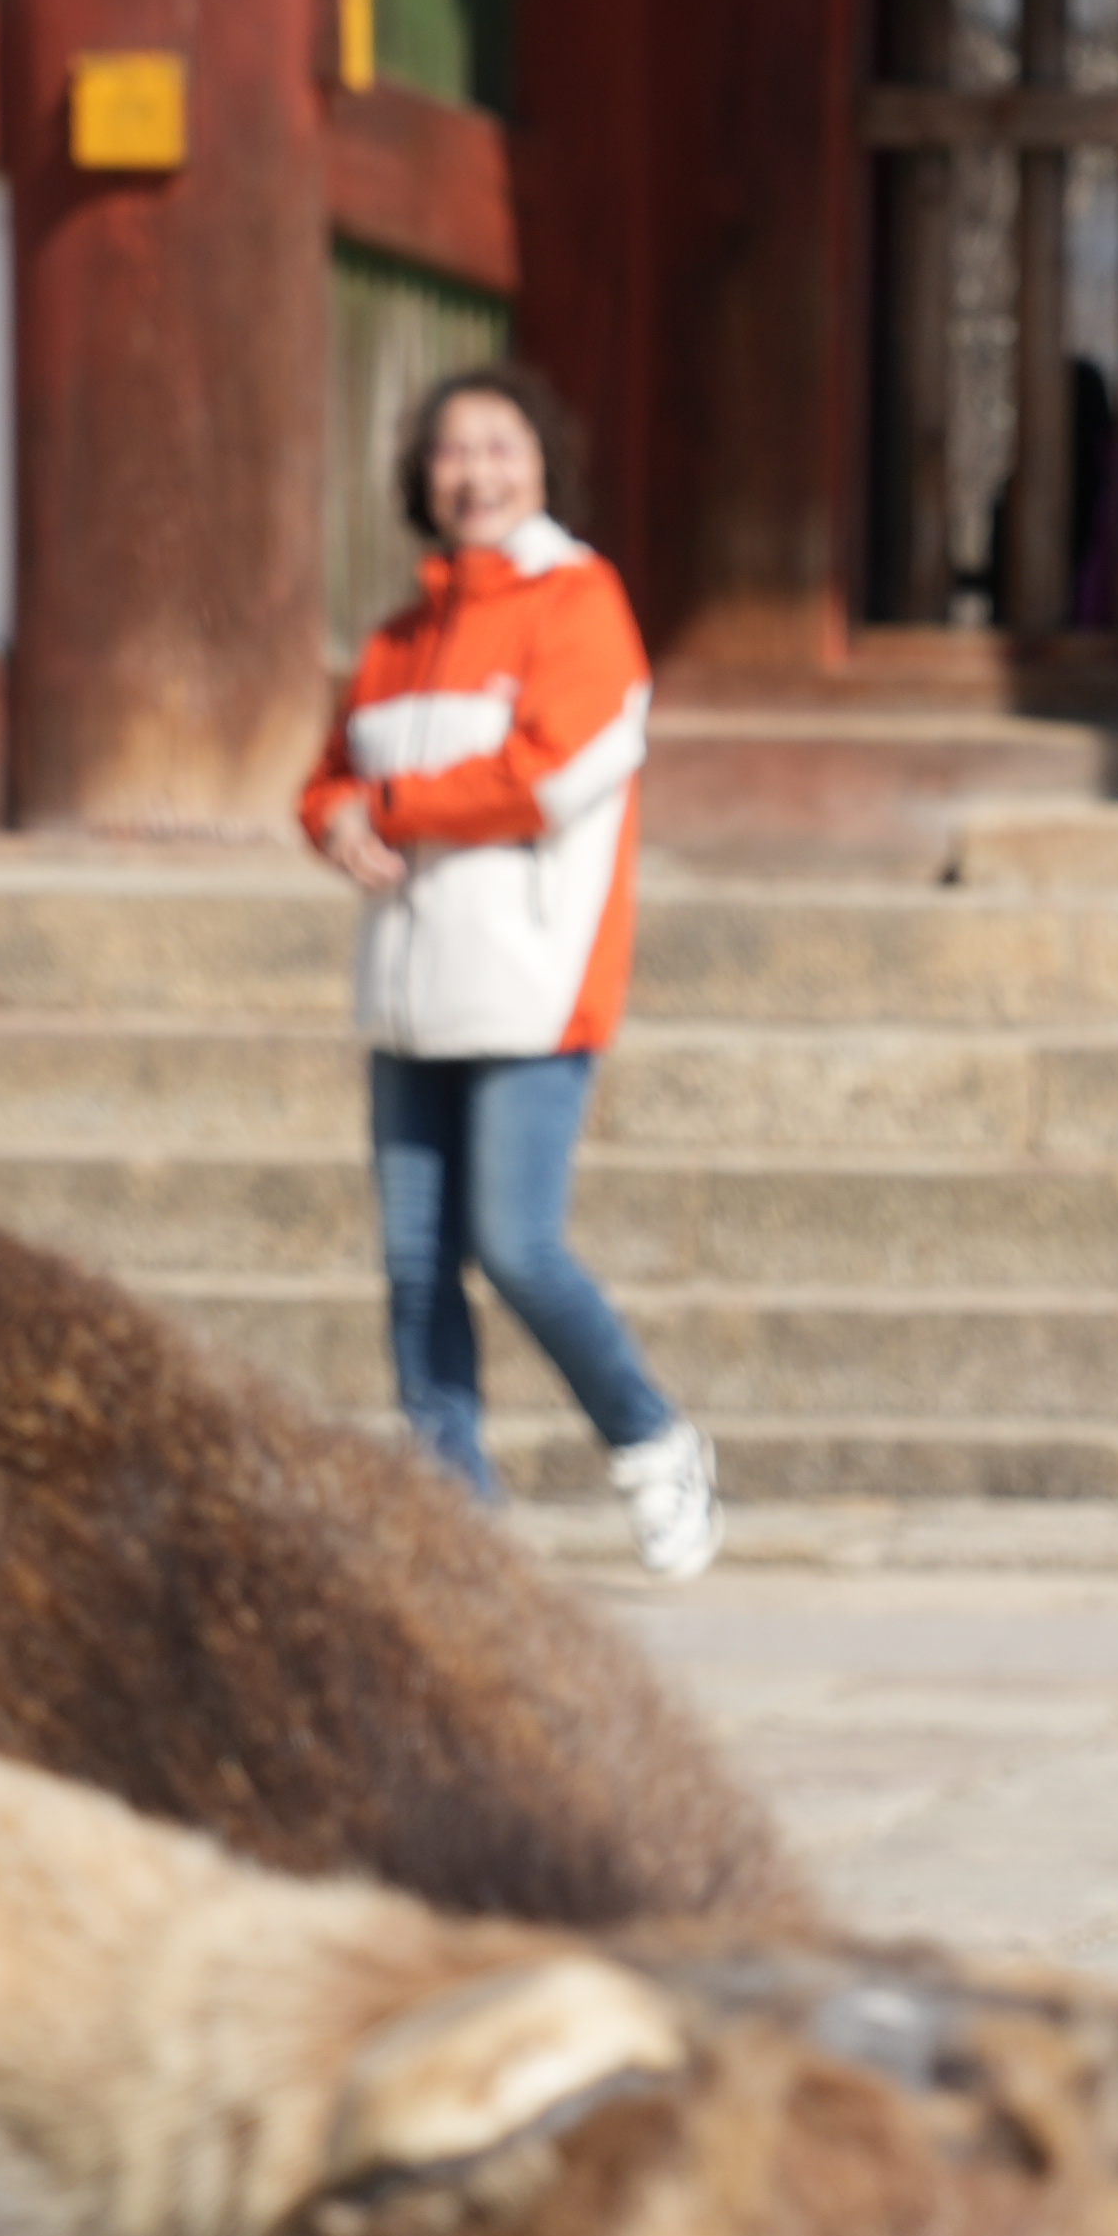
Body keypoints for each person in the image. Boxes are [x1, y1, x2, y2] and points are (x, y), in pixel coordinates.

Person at [298, 366, 718, 1580]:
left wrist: (385, 805)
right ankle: (452, 1514)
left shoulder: (581, 601)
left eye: (499, 446)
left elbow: (548, 775)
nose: (475, 471)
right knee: (414, 1262)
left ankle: (651, 1440)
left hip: (532, 978)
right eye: (452, 450)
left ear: (542, 463)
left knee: (518, 1245)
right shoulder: (399, 634)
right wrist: (333, 820)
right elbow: (328, 778)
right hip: (409, 984)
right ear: (420, 476)